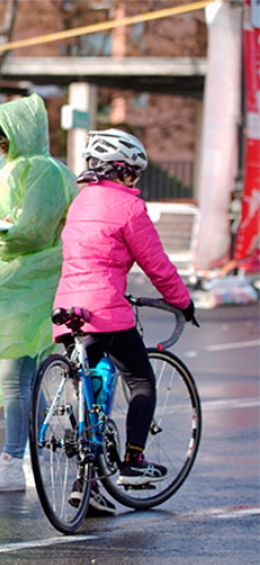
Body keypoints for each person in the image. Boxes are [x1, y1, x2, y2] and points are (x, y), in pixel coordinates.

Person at [54, 128, 197, 513]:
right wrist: (183, 303)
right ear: (119, 170)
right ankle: (133, 462)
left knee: (92, 385)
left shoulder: (79, 203)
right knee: (139, 378)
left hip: (67, 309)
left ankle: (89, 483)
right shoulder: (130, 208)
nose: (134, 181)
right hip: (106, 309)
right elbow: (158, 266)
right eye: (132, 173)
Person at [0, 94, 78, 493]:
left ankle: (13, 460)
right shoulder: (11, 172)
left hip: (34, 284)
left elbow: (32, 231)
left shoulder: (43, 173)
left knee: (16, 377)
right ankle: (35, 455)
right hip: (13, 285)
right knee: (26, 379)